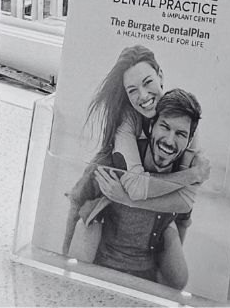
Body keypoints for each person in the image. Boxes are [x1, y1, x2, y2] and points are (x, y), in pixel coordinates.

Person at [63, 46, 208, 252]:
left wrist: (127, 199)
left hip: (152, 198)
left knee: (180, 227)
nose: (143, 95)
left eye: (148, 82)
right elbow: (137, 189)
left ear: (160, 76)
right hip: (103, 183)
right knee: (80, 210)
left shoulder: (184, 115)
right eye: (132, 90)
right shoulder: (127, 119)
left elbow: (185, 201)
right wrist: (192, 174)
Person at [82, 89, 203, 289]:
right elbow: (80, 202)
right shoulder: (119, 160)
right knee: (88, 221)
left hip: (145, 275)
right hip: (102, 268)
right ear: (151, 126)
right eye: (164, 127)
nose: (169, 141)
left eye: (181, 134)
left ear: (189, 141)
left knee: (180, 278)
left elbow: (183, 219)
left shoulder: (185, 172)